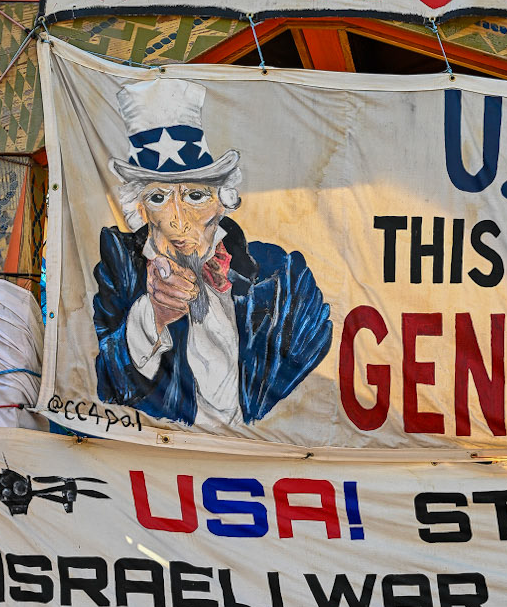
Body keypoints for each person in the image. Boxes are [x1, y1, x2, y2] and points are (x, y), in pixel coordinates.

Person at [94, 75, 332, 431]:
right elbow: (109, 386)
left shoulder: (281, 274)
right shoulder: (121, 269)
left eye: (194, 196)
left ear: (222, 201)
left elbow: (310, 363)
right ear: (140, 210)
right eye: (158, 198)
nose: (178, 220)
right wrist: (152, 318)